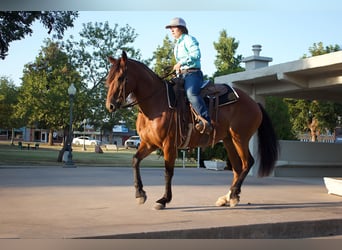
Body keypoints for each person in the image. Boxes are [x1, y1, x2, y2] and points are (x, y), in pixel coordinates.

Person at [165, 17, 212, 135]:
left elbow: (196, 54)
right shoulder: (177, 44)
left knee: (191, 93)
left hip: (193, 74)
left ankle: (206, 121)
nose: (171, 30)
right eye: (170, 28)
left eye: (173, 27)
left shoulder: (189, 39)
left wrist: (181, 63)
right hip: (182, 75)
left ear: (181, 28)